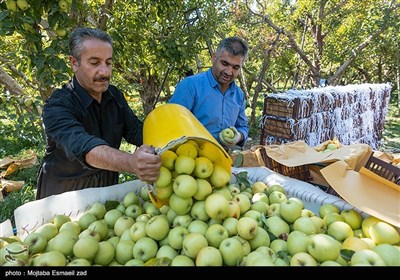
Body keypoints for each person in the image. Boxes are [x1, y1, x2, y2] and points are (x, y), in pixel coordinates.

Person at [36, 27, 161, 199]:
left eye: (108, 63)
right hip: (65, 199)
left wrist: (170, 143)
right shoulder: (57, 105)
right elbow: (84, 147)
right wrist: (131, 162)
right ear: (74, 63)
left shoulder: (114, 96)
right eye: (94, 63)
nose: (105, 72)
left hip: (107, 194)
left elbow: (135, 131)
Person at [168, 36, 249, 150]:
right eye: (224, 63)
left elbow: (242, 126)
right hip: (191, 157)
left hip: (224, 158)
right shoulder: (190, 86)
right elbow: (172, 124)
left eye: (235, 67)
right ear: (214, 58)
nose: (229, 72)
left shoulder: (238, 95)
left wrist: (238, 136)